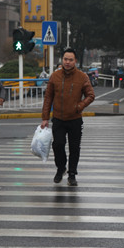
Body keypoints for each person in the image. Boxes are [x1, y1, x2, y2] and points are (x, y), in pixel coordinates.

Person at [41, 47, 95, 186]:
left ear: (75, 61)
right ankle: (61, 168)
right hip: (58, 118)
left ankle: (72, 174)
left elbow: (90, 95)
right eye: (65, 59)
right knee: (57, 145)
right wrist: (45, 118)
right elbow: (48, 98)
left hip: (75, 119)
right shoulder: (55, 76)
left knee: (74, 148)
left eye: (70, 60)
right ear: (62, 60)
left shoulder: (82, 77)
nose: (67, 62)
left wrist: (79, 106)